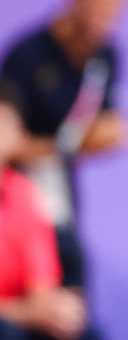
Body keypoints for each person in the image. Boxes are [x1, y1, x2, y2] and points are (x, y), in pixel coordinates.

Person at [0, 0, 128, 321]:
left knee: (73, 313)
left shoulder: (106, 58)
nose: (99, 19)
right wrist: (68, 145)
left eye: (111, 10)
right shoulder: (27, 55)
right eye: (93, 5)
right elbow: (6, 139)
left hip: (62, 202)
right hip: (15, 206)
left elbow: (112, 130)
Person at [0, 85, 91, 340]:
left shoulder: (25, 195)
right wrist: (28, 314)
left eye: (7, 125)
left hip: (16, 317)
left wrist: (57, 310)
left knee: (83, 331)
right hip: (10, 323)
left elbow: (42, 291)